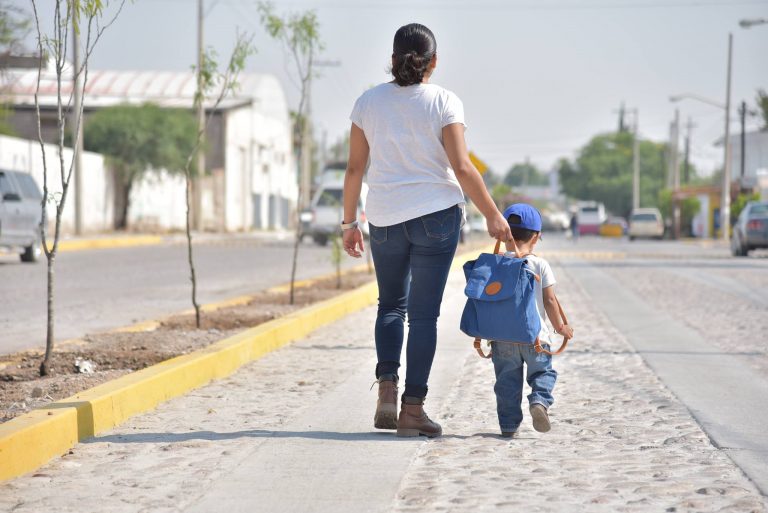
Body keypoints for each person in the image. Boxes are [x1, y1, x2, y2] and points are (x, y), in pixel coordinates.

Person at [341, 23, 512, 438]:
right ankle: (412, 410)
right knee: (422, 317)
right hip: (436, 216)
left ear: (394, 58)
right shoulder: (444, 101)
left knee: (390, 306)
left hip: (383, 217)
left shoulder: (368, 103)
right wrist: (493, 214)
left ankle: (386, 387)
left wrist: (349, 222)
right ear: (433, 62)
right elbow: (462, 167)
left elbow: (354, 169)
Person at [492, 203, 574, 438]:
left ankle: (508, 426)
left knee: (506, 384)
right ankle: (539, 401)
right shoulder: (540, 264)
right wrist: (561, 327)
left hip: (502, 339)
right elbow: (549, 300)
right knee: (543, 375)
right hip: (536, 337)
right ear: (537, 236)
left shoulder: (496, 262)